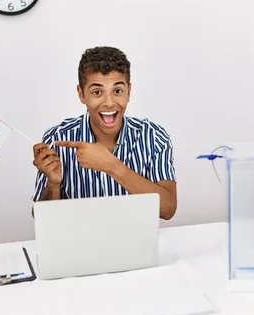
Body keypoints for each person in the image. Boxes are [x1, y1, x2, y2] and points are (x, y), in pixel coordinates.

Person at [31, 46, 177, 220]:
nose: (109, 103)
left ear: (128, 92)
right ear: (81, 94)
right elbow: (43, 219)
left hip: (136, 243)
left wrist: (111, 166)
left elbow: (168, 209)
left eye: (117, 91)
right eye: (97, 92)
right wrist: (53, 184)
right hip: (78, 242)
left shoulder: (153, 137)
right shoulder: (57, 138)